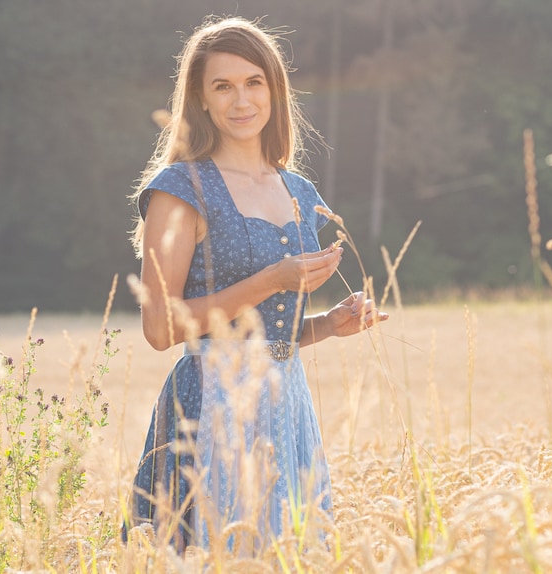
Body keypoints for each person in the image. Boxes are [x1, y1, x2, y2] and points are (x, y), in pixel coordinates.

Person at [124, 16, 387, 552]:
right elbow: (159, 328)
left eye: (253, 82)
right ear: (200, 98)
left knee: (289, 555)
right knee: (211, 554)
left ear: (275, 90)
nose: (240, 100)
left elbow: (267, 332)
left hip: (287, 405)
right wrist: (271, 280)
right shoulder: (180, 189)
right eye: (222, 86)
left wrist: (325, 326)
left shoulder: (298, 190)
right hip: (208, 407)